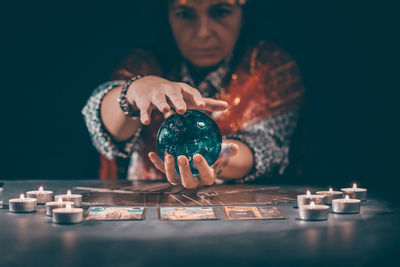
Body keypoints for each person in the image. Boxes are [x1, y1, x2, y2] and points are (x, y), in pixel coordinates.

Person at [82, 0, 304, 189]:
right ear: (167, 15)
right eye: (185, 14)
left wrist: (218, 157)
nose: (203, 33)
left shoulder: (269, 67)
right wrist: (133, 91)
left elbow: (269, 148)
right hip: (148, 212)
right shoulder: (142, 64)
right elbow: (103, 127)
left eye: (220, 11)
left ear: (243, 13)